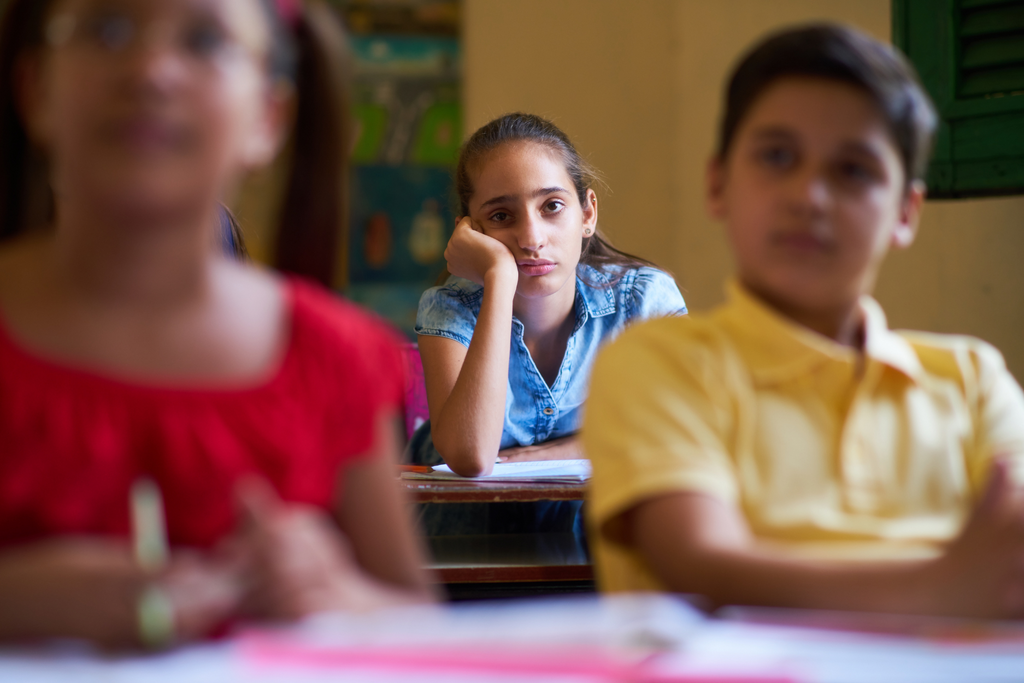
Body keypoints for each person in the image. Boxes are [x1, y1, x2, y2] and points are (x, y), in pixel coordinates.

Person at [0, 0, 433, 649]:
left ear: (268, 115)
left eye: (204, 39)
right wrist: (22, 596)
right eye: (106, 29)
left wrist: (338, 592)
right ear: (35, 89)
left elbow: (422, 626)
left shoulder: (332, 355)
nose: (150, 70)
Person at [583, 24, 1024, 618]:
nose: (810, 196)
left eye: (853, 170)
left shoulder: (971, 379)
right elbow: (700, 563)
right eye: (777, 156)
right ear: (718, 184)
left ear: (905, 212)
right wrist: (939, 589)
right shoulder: (659, 363)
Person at [411, 113, 686, 535]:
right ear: (471, 231)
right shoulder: (448, 309)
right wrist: (499, 277)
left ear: (587, 213)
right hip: (467, 549)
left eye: (552, 206)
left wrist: (540, 457)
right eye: (501, 216)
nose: (531, 237)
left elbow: (676, 433)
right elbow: (471, 457)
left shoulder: (644, 301)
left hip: (597, 546)